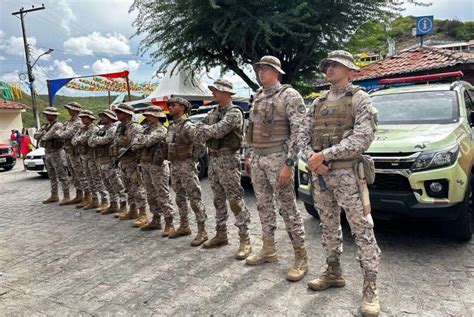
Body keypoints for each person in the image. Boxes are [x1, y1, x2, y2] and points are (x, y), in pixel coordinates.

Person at [298, 50, 381, 317]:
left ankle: (370, 287)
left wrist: (325, 155)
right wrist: (312, 158)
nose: (329, 69)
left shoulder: (360, 98)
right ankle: (333, 271)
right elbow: (301, 135)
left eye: (335, 65)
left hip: (347, 175)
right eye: (327, 66)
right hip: (320, 175)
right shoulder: (317, 102)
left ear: (350, 69)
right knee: (328, 224)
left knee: (361, 228)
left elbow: (362, 139)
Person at [243, 55, 308, 282]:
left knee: (288, 209)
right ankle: (268, 249)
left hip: (279, 159)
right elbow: (251, 129)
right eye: (259, 68)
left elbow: (300, 130)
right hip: (259, 159)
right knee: (263, 206)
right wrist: (249, 155)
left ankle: (301, 257)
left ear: (277, 72)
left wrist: (290, 163)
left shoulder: (289, 95)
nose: (261, 72)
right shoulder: (258, 97)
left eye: (266, 69)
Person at [195, 78, 251, 260]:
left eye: (216, 90)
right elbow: (198, 129)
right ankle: (221, 234)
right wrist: (205, 130)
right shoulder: (213, 112)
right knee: (218, 199)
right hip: (214, 159)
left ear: (226, 93)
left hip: (228, 159)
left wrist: (205, 130)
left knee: (234, 199)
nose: (213, 93)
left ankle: (245, 239)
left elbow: (218, 131)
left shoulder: (234, 112)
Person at [165, 97, 208, 246]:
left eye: (173, 105)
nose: (170, 107)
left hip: (186, 164)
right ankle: (184, 226)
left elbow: (201, 144)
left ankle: (202, 231)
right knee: (179, 196)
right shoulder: (171, 125)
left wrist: (192, 158)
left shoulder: (188, 126)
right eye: (169, 105)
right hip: (175, 164)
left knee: (194, 197)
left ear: (182, 108)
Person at [131, 106, 176, 235]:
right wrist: (140, 141)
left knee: (162, 194)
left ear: (157, 116)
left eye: (150, 116)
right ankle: (156, 219)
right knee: (150, 194)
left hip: (158, 166)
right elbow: (134, 144)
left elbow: (148, 142)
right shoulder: (146, 130)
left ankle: (169, 222)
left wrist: (140, 141)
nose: (148, 118)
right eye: (147, 116)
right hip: (146, 165)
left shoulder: (161, 130)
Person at [111, 104, 148, 225]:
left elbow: (136, 145)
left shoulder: (136, 128)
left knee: (137, 188)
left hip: (133, 163)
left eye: (120, 112)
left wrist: (125, 149)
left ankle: (143, 213)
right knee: (128, 188)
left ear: (127, 114)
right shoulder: (120, 127)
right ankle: (132, 210)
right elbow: (116, 141)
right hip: (123, 162)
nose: (117, 115)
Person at [88, 109, 128, 215]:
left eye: (104, 116)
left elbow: (105, 140)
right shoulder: (102, 129)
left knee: (117, 183)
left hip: (110, 160)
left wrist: (96, 140)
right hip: (101, 159)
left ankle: (123, 205)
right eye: (101, 116)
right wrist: (97, 140)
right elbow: (90, 141)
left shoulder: (113, 128)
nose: (102, 118)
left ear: (110, 118)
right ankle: (113, 204)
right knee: (107, 183)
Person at [71, 110, 108, 210]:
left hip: (93, 157)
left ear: (90, 118)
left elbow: (83, 139)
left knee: (97, 179)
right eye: (82, 117)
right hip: (84, 157)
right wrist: (79, 140)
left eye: (84, 117)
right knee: (89, 179)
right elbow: (73, 141)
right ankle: (94, 200)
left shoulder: (94, 129)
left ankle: (104, 200)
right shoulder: (82, 129)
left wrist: (79, 140)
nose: (82, 119)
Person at [33, 107, 70, 204]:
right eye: (46, 114)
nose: (46, 116)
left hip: (56, 152)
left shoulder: (58, 125)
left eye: (48, 114)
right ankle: (54, 195)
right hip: (48, 152)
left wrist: (43, 134)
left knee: (62, 175)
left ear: (54, 115)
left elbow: (46, 137)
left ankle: (66, 196)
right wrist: (43, 134)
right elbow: (35, 135)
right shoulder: (46, 125)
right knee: (51, 175)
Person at [56, 102, 86, 206]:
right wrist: (61, 133)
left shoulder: (78, 123)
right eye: (68, 109)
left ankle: (87, 196)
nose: (69, 111)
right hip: (68, 151)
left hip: (76, 153)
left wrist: (60, 133)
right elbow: (61, 132)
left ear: (76, 111)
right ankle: (79, 195)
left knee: (81, 175)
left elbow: (65, 134)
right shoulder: (68, 122)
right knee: (74, 175)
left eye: (71, 109)